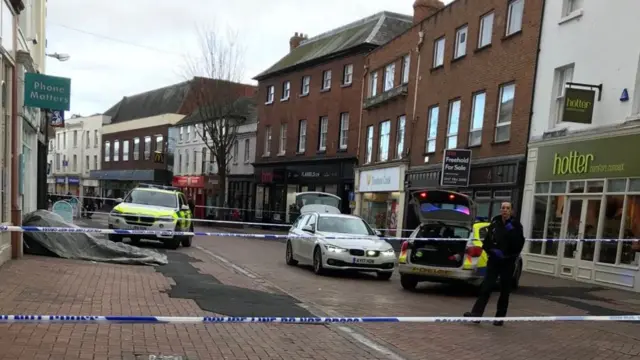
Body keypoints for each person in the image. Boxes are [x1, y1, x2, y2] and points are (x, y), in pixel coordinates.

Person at [464, 202, 525, 326]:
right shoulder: (495, 223)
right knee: (486, 287)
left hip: (507, 261)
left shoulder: (516, 225)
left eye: (508, 208)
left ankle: (500, 318)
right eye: (503, 208)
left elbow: (519, 244)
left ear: (511, 211)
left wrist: (511, 236)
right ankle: (476, 315)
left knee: (504, 290)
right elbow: (486, 242)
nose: (505, 210)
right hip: (494, 260)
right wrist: (492, 251)